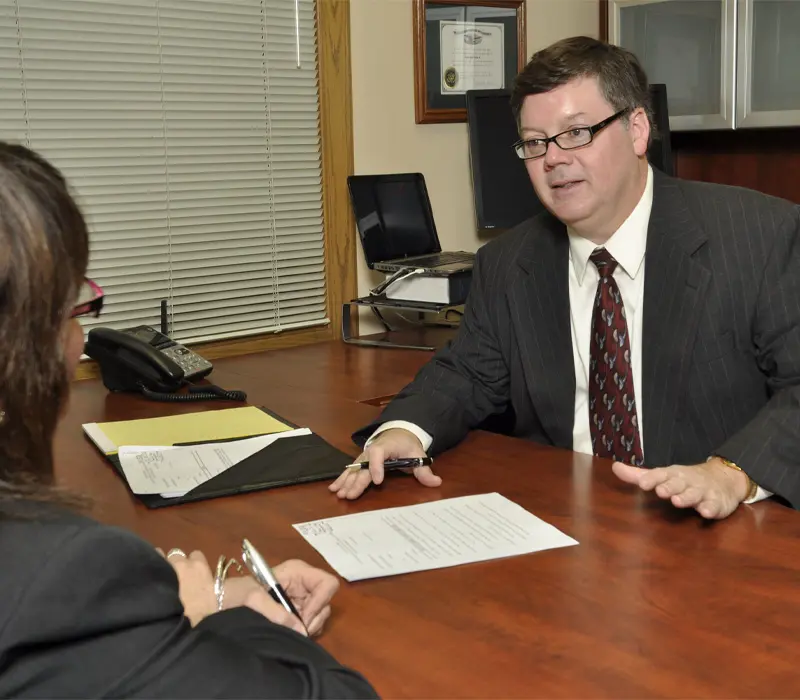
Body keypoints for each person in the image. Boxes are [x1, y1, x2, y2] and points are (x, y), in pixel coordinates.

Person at [330, 36, 800, 520]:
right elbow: (466, 373)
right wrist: (403, 430)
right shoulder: (509, 263)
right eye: (535, 142)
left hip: (711, 531)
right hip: (562, 521)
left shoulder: (759, 238)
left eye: (576, 132)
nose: (553, 159)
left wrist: (731, 472)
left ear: (637, 130)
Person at [0, 142, 377, 699]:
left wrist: (212, 598)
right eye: (74, 306)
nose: (80, 338)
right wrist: (206, 617)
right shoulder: (66, 573)